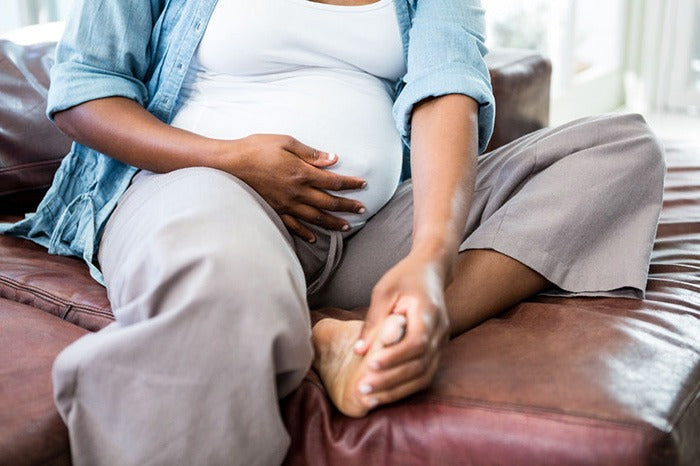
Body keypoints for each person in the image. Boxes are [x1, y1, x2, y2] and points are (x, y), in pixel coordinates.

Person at [0, 0, 665, 464]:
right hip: (200, 191)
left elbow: (446, 92)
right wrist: (229, 158)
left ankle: (369, 340)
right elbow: (85, 91)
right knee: (223, 278)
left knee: (620, 150)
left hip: (368, 230)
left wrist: (432, 257)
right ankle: (280, 326)